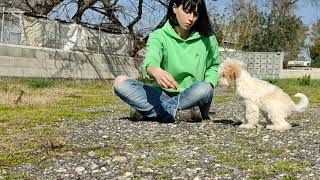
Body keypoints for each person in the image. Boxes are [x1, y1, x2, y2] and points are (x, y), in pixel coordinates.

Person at [113, 0, 220, 123]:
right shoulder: (158, 35)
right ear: (174, 7)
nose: (191, 18)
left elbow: (214, 66)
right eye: (187, 11)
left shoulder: (208, 39)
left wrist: (209, 84)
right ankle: (177, 114)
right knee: (119, 82)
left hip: (193, 97)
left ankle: (148, 112)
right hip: (163, 94)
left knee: (205, 88)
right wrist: (155, 70)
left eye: (195, 14)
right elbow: (151, 60)